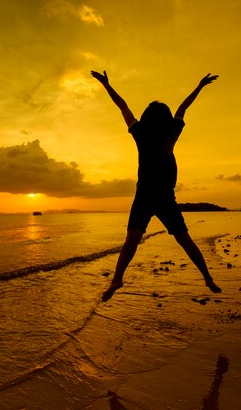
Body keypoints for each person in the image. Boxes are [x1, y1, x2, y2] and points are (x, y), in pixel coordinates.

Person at [91, 70, 222, 302]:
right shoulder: (171, 131)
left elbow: (122, 105)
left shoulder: (140, 132)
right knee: (184, 240)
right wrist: (200, 86)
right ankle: (207, 277)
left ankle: (116, 279)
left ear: (147, 116)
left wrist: (106, 84)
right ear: (166, 117)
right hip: (164, 197)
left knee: (131, 240)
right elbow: (184, 108)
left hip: (143, 195)